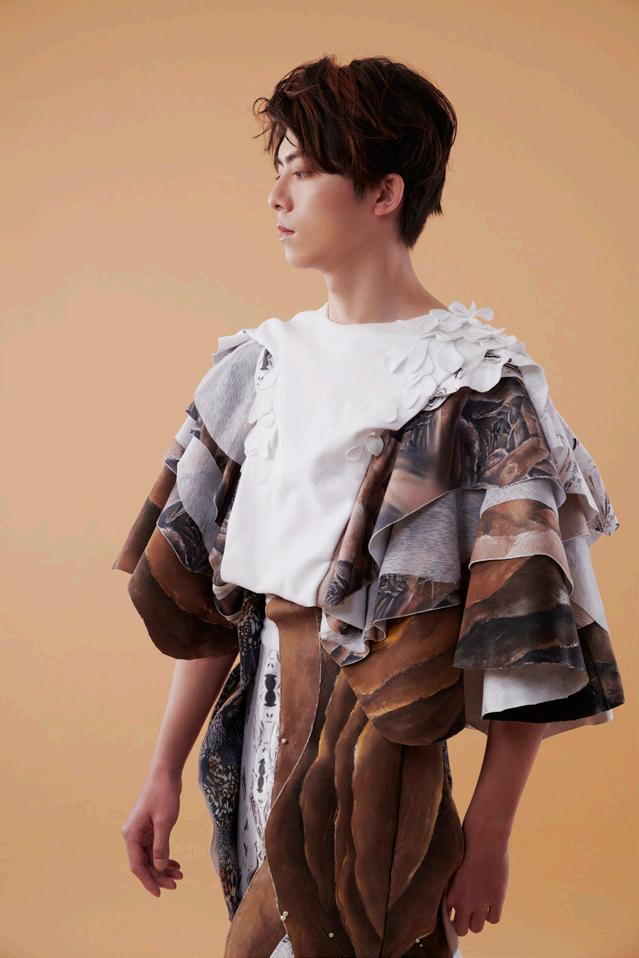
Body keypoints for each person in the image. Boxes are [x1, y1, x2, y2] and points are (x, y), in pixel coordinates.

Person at [113, 54, 625, 958]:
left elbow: (529, 641)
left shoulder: (474, 387)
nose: (277, 195)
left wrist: (489, 835)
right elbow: (214, 612)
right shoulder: (256, 371)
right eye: (278, 167)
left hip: (384, 758)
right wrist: (162, 770)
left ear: (384, 193)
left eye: (305, 170)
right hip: (253, 731)